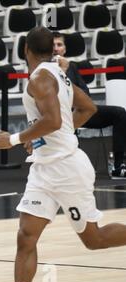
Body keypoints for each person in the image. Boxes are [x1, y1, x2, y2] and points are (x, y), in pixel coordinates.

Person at [0, 27, 126, 282]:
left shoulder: (40, 78)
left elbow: (54, 121)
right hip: (43, 168)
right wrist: (39, 138)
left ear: (25, 48)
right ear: (52, 50)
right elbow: (87, 109)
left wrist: (13, 139)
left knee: (94, 240)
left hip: (67, 169)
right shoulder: (60, 73)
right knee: (26, 235)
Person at [53, 32, 126, 178]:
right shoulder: (45, 70)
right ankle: (72, 166)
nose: (56, 48)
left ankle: (119, 165)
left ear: (64, 49)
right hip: (60, 116)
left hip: (82, 111)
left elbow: (85, 94)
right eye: (52, 45)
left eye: (59, 45)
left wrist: (66, 73)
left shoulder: (72, 67)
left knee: (120, 113)